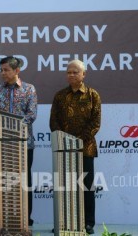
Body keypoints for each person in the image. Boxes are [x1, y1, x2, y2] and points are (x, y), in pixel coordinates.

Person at [49, 59, 101, 235]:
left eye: (75, 72)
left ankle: (88, 223)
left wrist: (77, 142)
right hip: (63, 149)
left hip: (86, 149)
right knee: (65, 188)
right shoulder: (59, 96)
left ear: (83, 74)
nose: (71, 75)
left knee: (86, 187)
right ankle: (63, 222)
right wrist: (65, 141)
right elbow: (53, 121)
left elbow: (95, 123)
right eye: (68, 72)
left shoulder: (93, 95)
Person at [0, 56, 38, 226]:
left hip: (24, 144)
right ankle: (3, 219)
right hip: (2, 144)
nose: (2, 73)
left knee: (24, 182)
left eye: (6, 70)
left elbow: (31, 115)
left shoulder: (29, 89)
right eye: (1, 70)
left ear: (17, 71)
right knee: (4, 181)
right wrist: (6, 128)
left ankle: (25, 219)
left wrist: (12, 128)